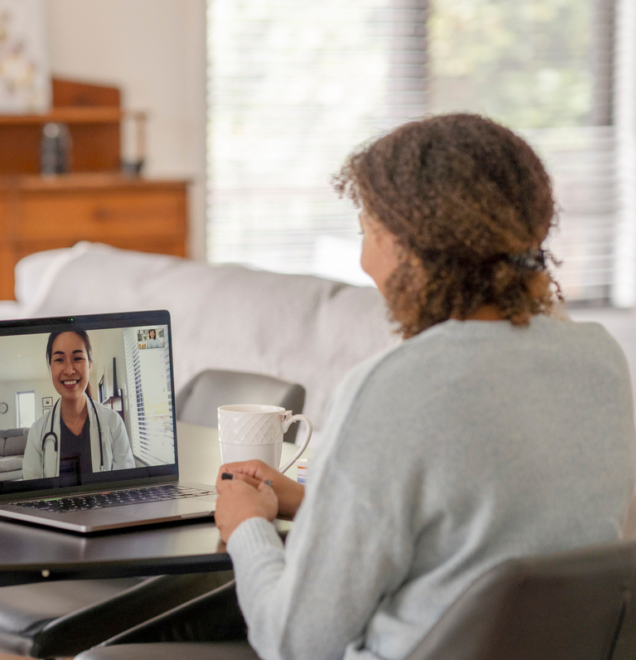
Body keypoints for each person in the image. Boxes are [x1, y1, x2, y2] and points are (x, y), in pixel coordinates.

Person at [215, 114, 636, 660]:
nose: (365, 262)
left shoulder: (392, 387)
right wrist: (318, 501)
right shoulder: (600, 361)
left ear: (411, 248)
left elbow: (295, 642)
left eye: (368, 231)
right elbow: (490, 527)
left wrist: (247, 525)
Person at [23, 330, 135, 480]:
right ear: (50, 367)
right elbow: (33, 496)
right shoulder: (37, 432)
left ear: (89, 364)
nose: (69, 370)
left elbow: (126, 486)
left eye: (77, 358)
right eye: (59, 360)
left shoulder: (114, 423)